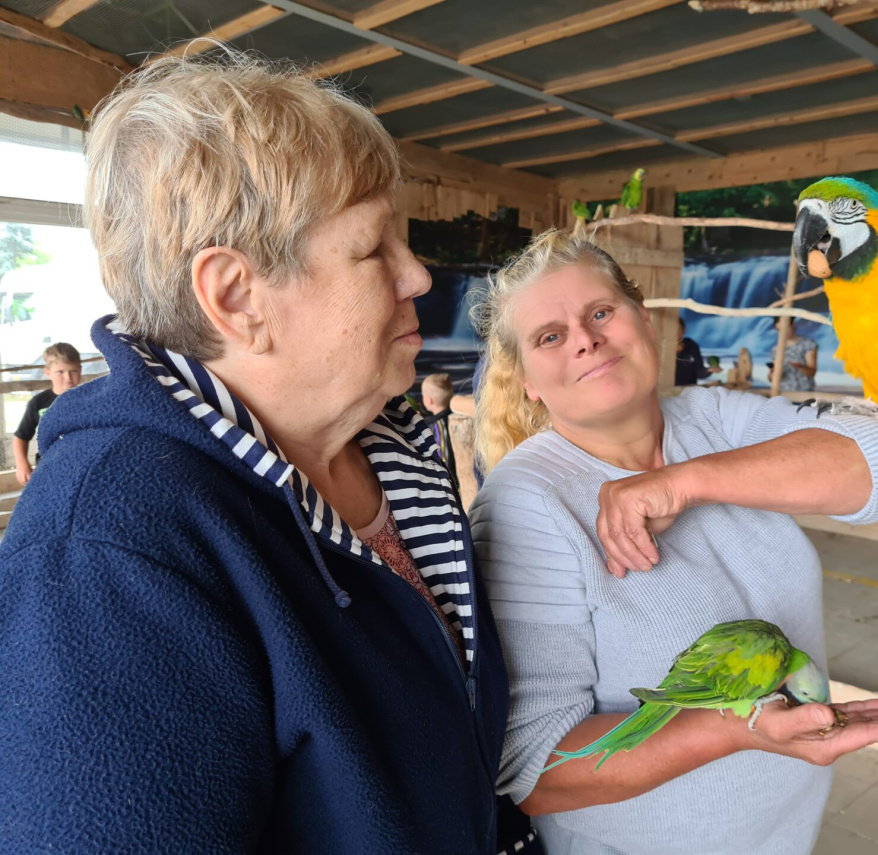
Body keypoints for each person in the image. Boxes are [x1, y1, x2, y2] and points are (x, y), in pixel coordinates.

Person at [0, 52, 539, 855]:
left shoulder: (386, 443)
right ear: (237, 296)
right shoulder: (110, 551)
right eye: (372, 248)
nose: (418, 274)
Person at [467, 229, 878, 855]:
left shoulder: (714, 419)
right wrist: (737, 730)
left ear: (644, 319)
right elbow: (538, 771)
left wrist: (687, 482)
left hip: (785, 830)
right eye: (551, 336)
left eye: (601, 312)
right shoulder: (529, 501)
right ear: (526, 380)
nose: (585, 338)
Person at [12, 342, 81, 485]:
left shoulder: (89, 398)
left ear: (80, 370)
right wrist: (22, 464)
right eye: (60, 372)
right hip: (47, 464)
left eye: (73, 371)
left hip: (80, 462)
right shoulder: (38, 403)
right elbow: (21, 436)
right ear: (48, 373)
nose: (68, 377)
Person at [421, 372, 460, 493]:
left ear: (429, 400)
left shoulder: (438, 426)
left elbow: (443, 458)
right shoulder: (456, 417)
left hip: (450, 487)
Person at [767, 318, 818, 391]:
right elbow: (771, 378)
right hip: (782, 394)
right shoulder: (775, 349)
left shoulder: (808, 344)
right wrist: (773, 373)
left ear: (793, 325)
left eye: (785, 328)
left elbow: (812, 373)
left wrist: (800, 367)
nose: (783, 332)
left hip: (804, 393)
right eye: (779, 329)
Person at [674, 316, 711, 385]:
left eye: (679, 329)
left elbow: (699, 371)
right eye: (673, 329)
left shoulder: (691, 345)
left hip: (688, 390)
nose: (676, 332)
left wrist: (709, 370)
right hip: (664, 390)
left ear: (684, 330)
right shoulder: (660, 347)